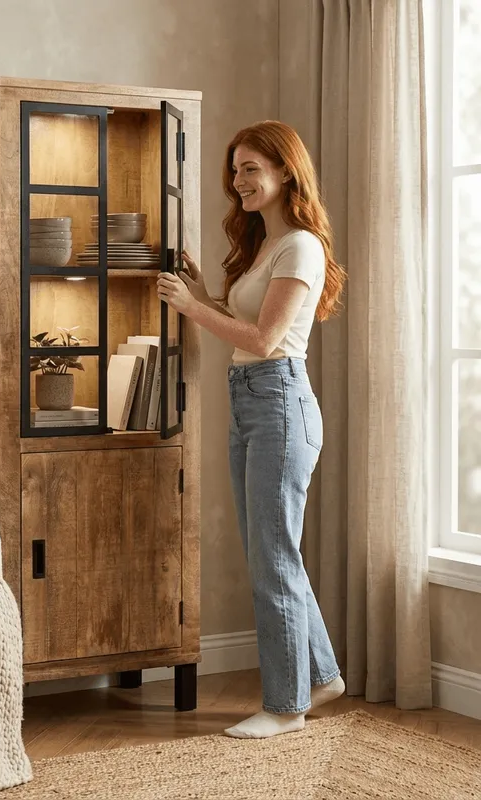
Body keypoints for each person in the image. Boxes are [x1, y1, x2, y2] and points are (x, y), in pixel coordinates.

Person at [157, 120, 348, 740]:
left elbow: (266, 341)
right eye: (235, 169)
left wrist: (191, 309)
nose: (238, 181)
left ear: (286, 172)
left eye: (251, 169)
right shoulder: (267, 243)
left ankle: (286, 707)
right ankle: (320, 676)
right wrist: (203, 295)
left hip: (280, 405)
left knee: (273, 557)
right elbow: (248, 325)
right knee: (271, 553)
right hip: (250, 403)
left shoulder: (300, 247)